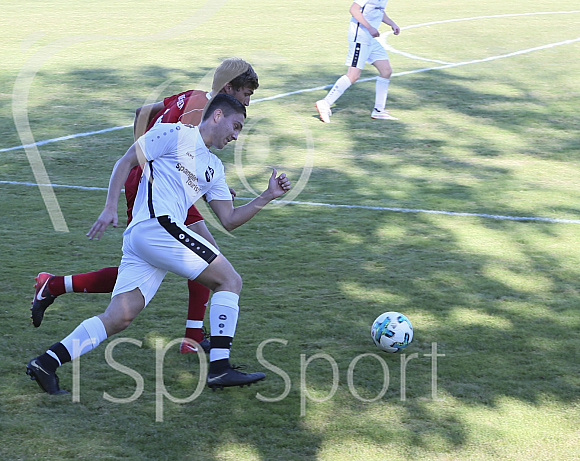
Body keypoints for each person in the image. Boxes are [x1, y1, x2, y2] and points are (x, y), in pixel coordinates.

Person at [26, 93, 291, 394]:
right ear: (217, 116)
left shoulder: (214, 168)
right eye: (236, 126)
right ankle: (219, 369)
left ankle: (45, 363)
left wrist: (267, 196)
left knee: (119, 317)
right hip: (156, 227)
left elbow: (228, 219)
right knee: (230, 281)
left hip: (149, 238)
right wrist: (110, 206)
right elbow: (126, 161)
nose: (236, 135)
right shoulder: (173, 132)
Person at [30, 58, 259, 355]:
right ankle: (194, 340)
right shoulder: (203, 110)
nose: (248, 103)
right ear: (228, 89)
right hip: (156, 190)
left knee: (152, 262)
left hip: (145, 179)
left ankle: (56, 287)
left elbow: (143, 113)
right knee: (207, 259)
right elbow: (185, 158)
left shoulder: (190, 95)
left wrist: (150, 154)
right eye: (246, 95)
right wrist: (184, 176)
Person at [315, 0, 400, 122]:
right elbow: (354, 9)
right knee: (353, 75)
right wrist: (370, 28)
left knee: (386, 71)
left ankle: (378, 111)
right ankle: (325, 103)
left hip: (371, 40)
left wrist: (392, 24)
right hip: (360, 38)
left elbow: (379, 11)